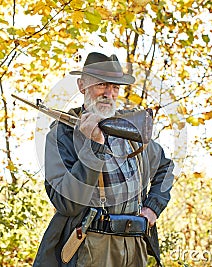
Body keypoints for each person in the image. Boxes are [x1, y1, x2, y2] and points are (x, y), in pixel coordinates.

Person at [33, 52, 175, 267]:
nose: (109, 93)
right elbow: (67, 204)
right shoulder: (61, 135)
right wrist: (94, 147)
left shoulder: (129, 131)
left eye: (115, 87)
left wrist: (152, 208)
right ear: (82, 86)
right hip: (90, 245)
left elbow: (165, 168)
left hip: (135, 244)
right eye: (102, 85)